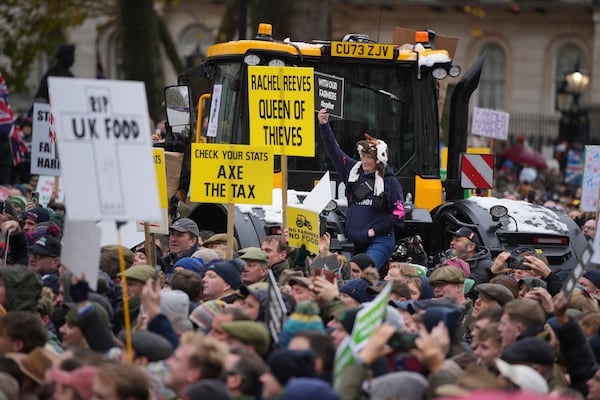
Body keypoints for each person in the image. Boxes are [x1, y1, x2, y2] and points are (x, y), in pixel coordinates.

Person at [317, 108, 405, 270]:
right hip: (355, 242)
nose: (364, 161)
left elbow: (398, 213)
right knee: (335, 271)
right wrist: (324, 125)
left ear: (379, 159)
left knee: (359, 273)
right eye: (363, 156)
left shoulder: (390, 182)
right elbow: (334, 151)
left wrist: (374, 230)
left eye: (369, 157)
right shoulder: (352, 171)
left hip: (380, 241)